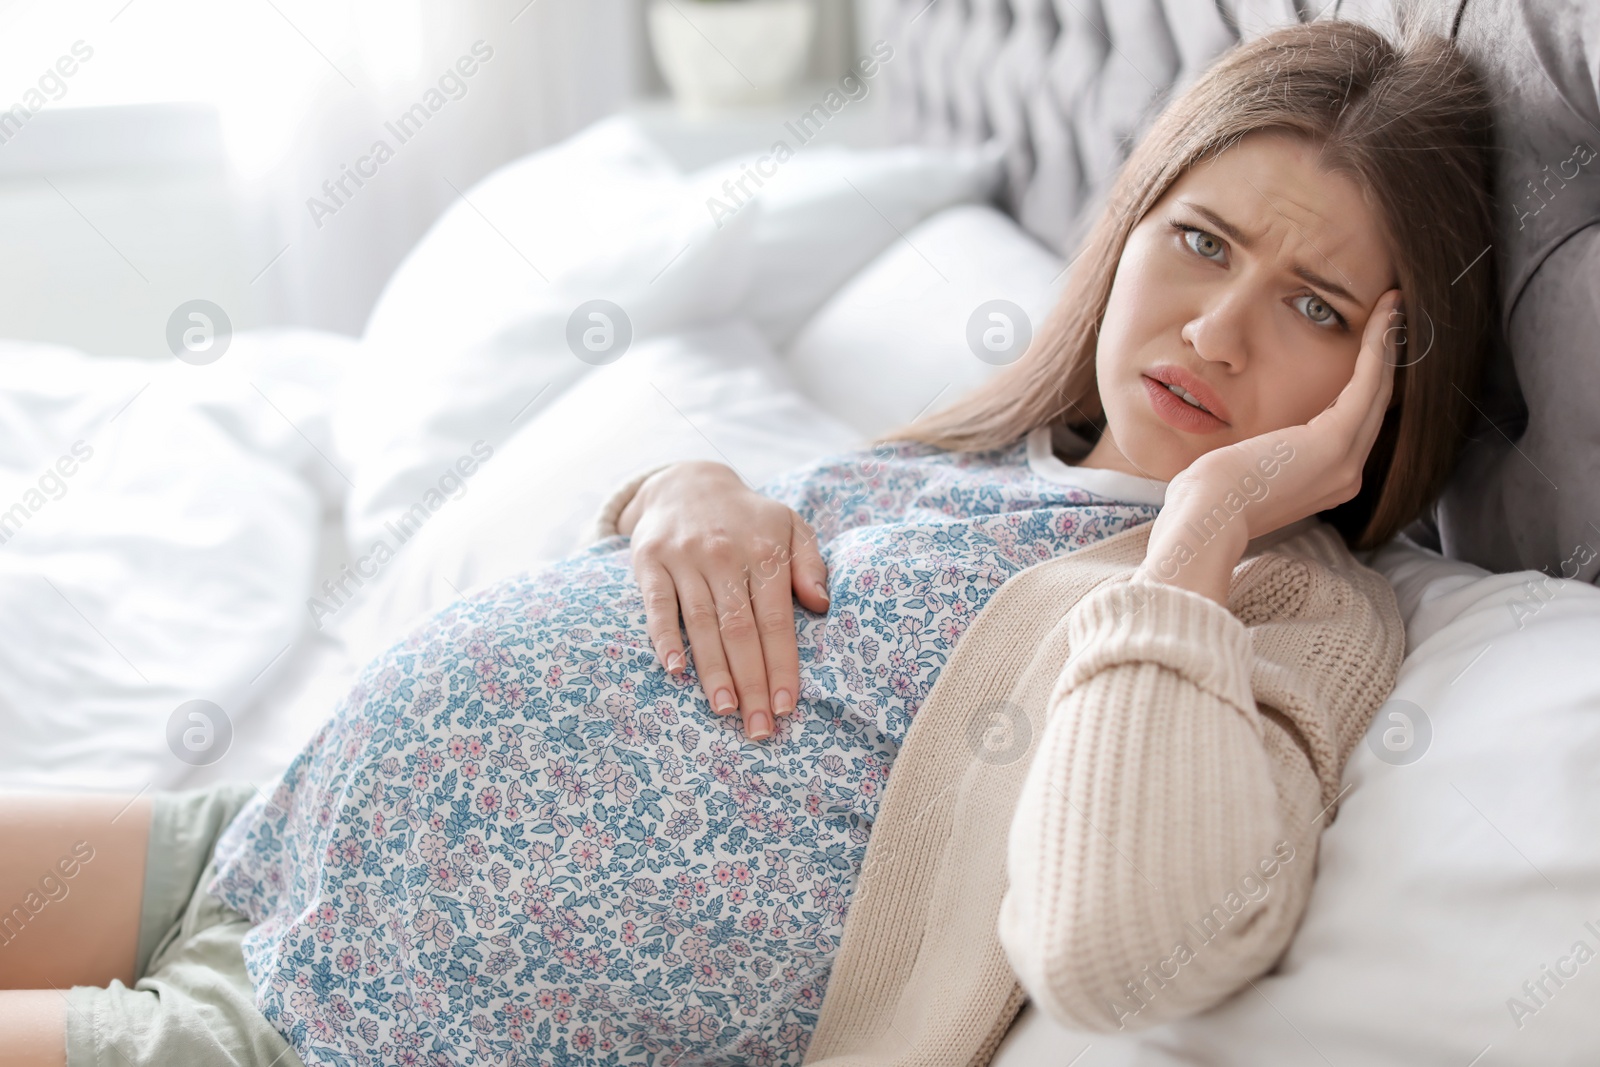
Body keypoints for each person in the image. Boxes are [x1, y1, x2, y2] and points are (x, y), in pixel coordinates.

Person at [0, 18, 1495, 1067]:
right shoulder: (988, 451)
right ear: (1127, 230)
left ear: (1388, 382)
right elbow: (724, 588)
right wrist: (680, 489)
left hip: (352, 1027)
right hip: (274, 833)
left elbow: (1125, 947)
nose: (1216, 331)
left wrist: (1214, 520)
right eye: (1202, 241)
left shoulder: (1287, 617)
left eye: (1314, 310)